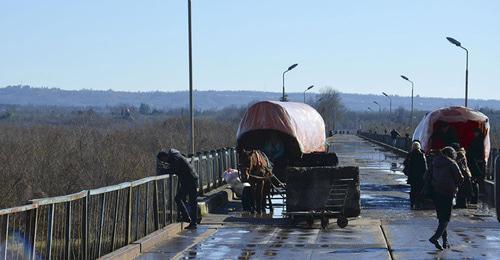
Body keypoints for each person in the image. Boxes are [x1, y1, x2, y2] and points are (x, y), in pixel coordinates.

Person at [428, 147, 464, 250]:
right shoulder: (452, 163)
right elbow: (460, 178)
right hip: (448, 192)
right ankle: (435, 238)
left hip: (436, 192)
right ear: (451, 154)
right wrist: (455, 185)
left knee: (441, 217)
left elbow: (427, 175)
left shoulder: (435, 161)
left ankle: (445, 241)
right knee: (446, 218)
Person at [157, 149, 199, 230]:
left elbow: (174, 169)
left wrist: (163, 171)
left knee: (185, 199)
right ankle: (189, 219)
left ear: (164, 156)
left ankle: (190, 220)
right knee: (185, 199)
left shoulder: (174, 157)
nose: (164, 162)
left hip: (189, 180)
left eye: (163, 160)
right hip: (190, 179)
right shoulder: (175, 155)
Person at [403, 141, 427, 209]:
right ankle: (418, 202)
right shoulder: (422, 155)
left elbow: (405, 163)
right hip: (420, 176)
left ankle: (412, 202)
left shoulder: (410, 154)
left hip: (412, 176)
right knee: (419, 189)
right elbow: (425, 167)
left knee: (413, 189)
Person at [467, 128, 486, 204]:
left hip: (476, 163)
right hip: (477, 163)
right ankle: (474, 199)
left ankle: (474, 200)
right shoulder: (480, 140)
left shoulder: (478, 141)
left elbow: (476, 151)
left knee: (474, 182)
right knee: (475, 182)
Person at [451, 143, 473, 208]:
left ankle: (462, 204)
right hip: (464, 173)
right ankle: (461, 203)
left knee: (462, 189)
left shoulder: (459, 154)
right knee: (462, 189)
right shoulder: (461, 153)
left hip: (464, 174)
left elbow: (456, 162)